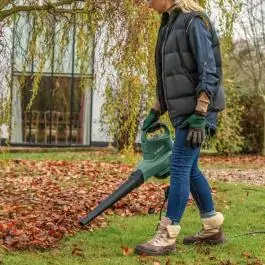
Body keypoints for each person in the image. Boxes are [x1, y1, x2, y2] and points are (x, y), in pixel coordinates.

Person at [135, 0, 226, 256]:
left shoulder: (194, 21)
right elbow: (169, 75)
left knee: (179, 167)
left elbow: (208, 69)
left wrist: (201, 111)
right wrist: (156, 109)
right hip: (183, 111)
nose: (146, 3)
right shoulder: (169, 24)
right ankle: (211, 226)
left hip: (195, 113)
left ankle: (167, 234)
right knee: (191, 168)